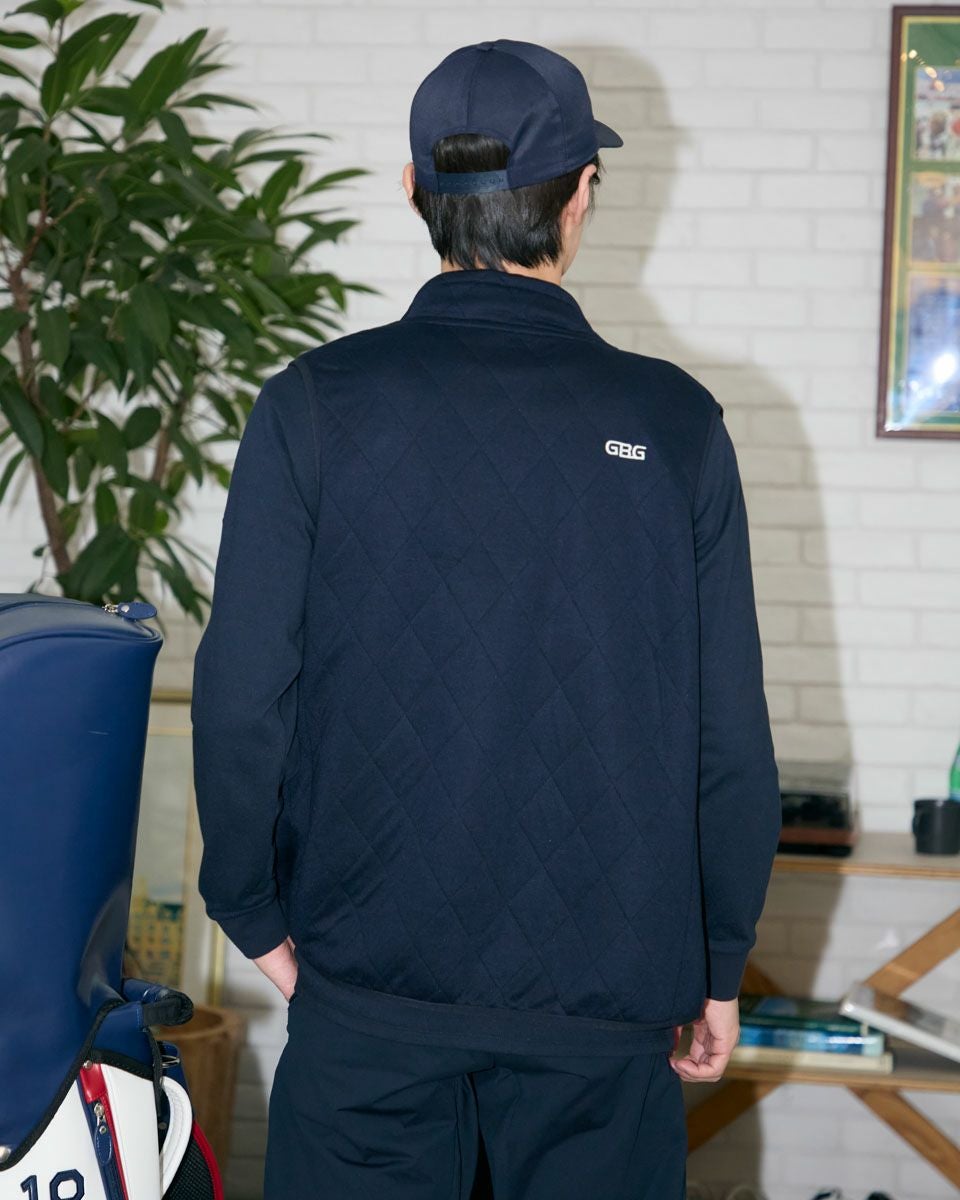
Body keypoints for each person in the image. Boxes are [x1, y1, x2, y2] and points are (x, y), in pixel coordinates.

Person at [190, 37, 782, 1200]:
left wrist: (249, 911)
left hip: (368, 1000)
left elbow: (243, 693)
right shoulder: (677, 427)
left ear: (414, 189)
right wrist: (720, 963)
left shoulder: (313, 408)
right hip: (605, 1012)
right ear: (580, 196)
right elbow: (728, 740)